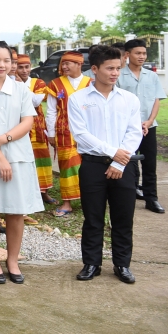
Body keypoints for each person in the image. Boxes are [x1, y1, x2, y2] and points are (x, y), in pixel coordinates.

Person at [71, 45, 143, 284]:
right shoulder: (78, 99)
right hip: (92, 165)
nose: (114, 73)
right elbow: (81, 134)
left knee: (123, 218)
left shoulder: (129, 99)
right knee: (93, 218)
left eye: (118, 68)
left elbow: (134, 133)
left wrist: (119, 163)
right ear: (94, 69)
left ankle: (122, 265)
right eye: (109, 68)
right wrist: (113, 153)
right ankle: (91, 263)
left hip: (125, 167)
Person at [0, 40, 41, 284]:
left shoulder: (21, 89)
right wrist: (0, 156)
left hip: (19, 156)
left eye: (7, 61)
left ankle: (12, 260)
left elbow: (27, 122)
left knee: (16, 211)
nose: (2, 65)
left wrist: (4, 138)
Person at [117, 39, 166, 214]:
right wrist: (134, 123)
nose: (142, 56)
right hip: (127, 129)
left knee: (149, 164)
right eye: (138, 53)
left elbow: (156, 100)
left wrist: (150, 121)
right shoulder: (119, 75)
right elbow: (117, 102)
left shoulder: (151, 76)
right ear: (127, 55)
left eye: (144, 53)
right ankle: (130, 195)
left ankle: (151, 198)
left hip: (148, 127)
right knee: (129, 162)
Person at [45, 51, 90, 216]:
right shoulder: (56, 84)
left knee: (89, 165)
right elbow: (50, 111)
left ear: (79, 64)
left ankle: (89, 200)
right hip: (64, 131)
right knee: (67, 167)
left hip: (87, 132)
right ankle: (67, 202)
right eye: (62, 63)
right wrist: (50, 133)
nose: (63, 67)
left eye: (67, 63)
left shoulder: (91, 83)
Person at [15, 55, 55, 203]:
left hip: (37, 130)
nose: (24, 70)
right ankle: (26, 194)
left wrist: (21, 85)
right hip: (19, 129)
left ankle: (44, 192)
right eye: (20, 67)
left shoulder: (38, 82)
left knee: (42, 161)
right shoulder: (10, 83)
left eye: (27, 67)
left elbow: (36, 101)